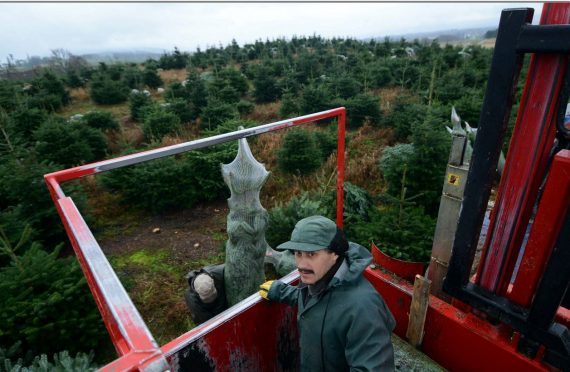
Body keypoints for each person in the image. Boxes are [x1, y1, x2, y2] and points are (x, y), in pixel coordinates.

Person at [259, 215, 396, 371]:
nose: (302, 264)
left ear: (335, 253)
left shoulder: (363, 308)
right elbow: (314, 301)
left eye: (311, 254)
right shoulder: (317, 276)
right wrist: (281, 291)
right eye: (298, 253)